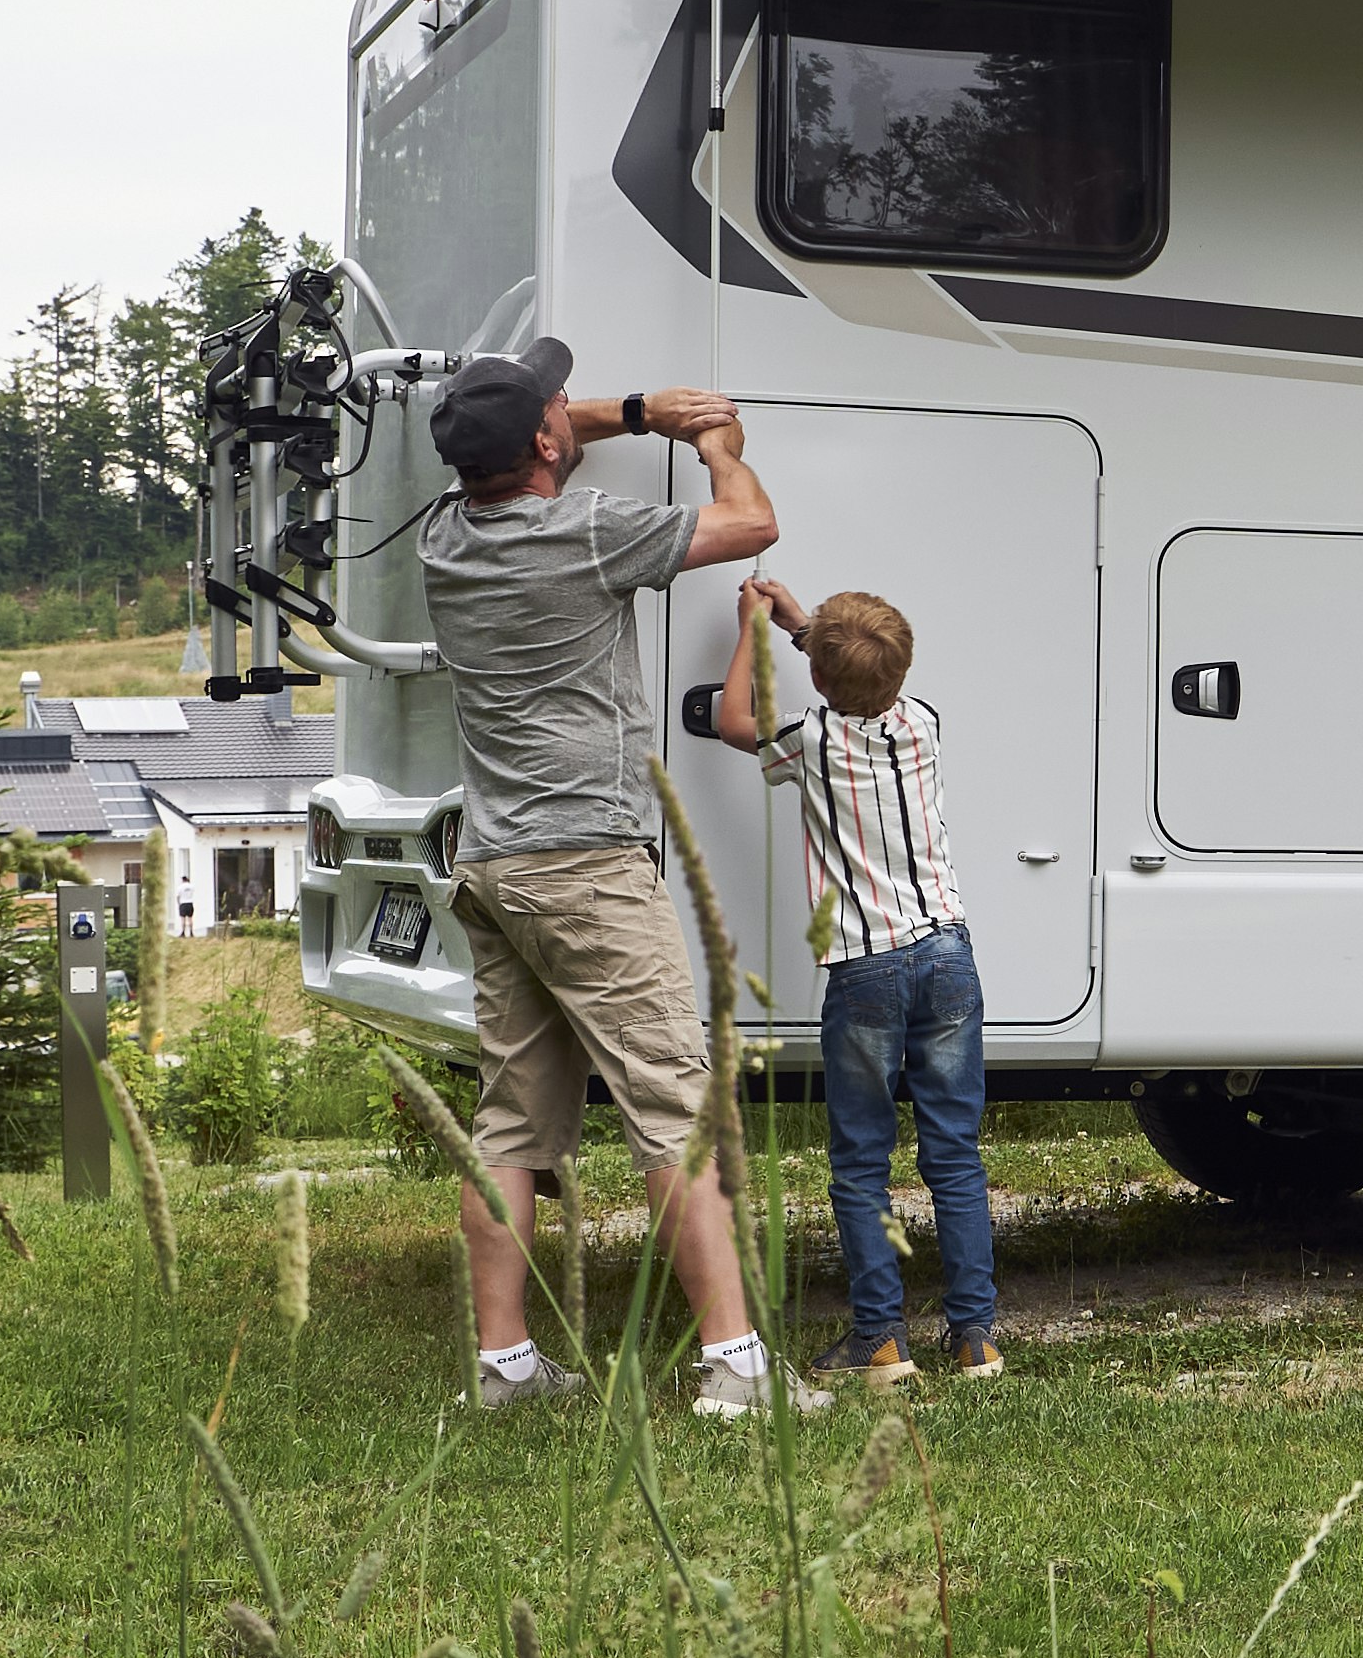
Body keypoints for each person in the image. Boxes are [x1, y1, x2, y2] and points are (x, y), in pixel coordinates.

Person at [410, 338, 825, 1415]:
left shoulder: (448, 535)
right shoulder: (586, 531)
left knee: (508, 1123)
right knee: (674, 1109)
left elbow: (534, 436)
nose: (570, 411)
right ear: (546, 443)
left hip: (495, 865)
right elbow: (752, 524)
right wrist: (718, 444)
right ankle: (736, 1368)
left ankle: (502, 1369)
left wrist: (638, 411)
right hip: (591, 865)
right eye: (559, 409)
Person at [706, 575, 999, 1384]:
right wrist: (810, 630)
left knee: (863, 1159)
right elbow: (864, 679)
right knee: (955, 1154)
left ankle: (880, 1337)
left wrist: (752, 630)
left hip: (868, 966)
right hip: (949, 955)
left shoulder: (812, 740)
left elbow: (734, 720)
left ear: (820, 683)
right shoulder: (924, 724)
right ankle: (976, 1336)